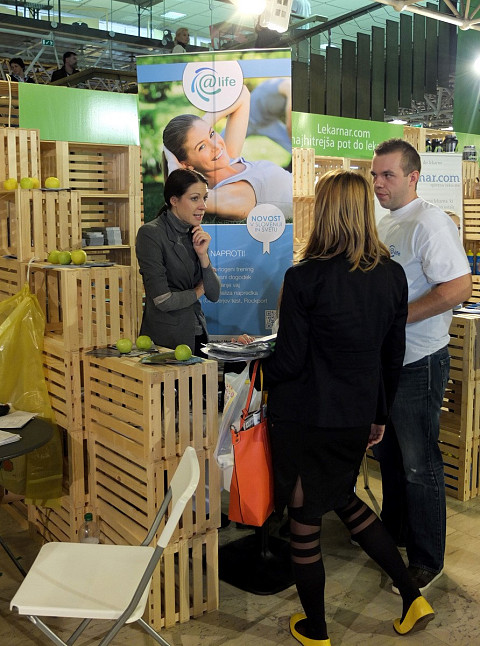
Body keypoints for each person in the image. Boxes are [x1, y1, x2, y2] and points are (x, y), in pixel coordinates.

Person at [258, 169, 434, 645]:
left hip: (305, 418)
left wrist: (251, 364)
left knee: (304, 522)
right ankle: (411, 595)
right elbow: (391, 357)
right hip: (355, 416)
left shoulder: (303, 278)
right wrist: (378, 416)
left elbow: (289, 362)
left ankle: (316, 630)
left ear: (324, 213)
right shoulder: (392, 276)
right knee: (342, 498)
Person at [371, 138, 471, 594]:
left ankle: (428, 561)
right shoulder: (387, 221)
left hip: (419, 361)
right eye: (375, 175)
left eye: (387, 175)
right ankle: (395, 536)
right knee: (390, 458)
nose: (378, 183)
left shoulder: (430, 222)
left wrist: (398, 319)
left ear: (413, 177)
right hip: (390, 362)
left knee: (419, 463)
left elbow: (459, 288)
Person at [162, 85, 293, 221]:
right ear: (186, 164)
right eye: (202, 147)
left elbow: (242, 94)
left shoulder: (228, 160)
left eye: (211, 134)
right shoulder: (228, 196)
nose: (216, 146)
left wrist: (199, 125)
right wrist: (173, 165)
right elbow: (185, 198)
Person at [135, 168, 220, 355]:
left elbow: (214, 294)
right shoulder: (150, 234)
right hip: (167, 342)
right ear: (174, 200)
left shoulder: (196, 233)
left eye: (205, 198)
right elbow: (163, 300)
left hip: (198, 336)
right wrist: (199, 290)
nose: (203, 206)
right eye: (195, 198)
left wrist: (203, 256)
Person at [245, 78, 292, 153]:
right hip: (247, 120)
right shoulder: (289, 86)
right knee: (225, 145)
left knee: (298, 148)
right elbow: (290, 126)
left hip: (268, 122)